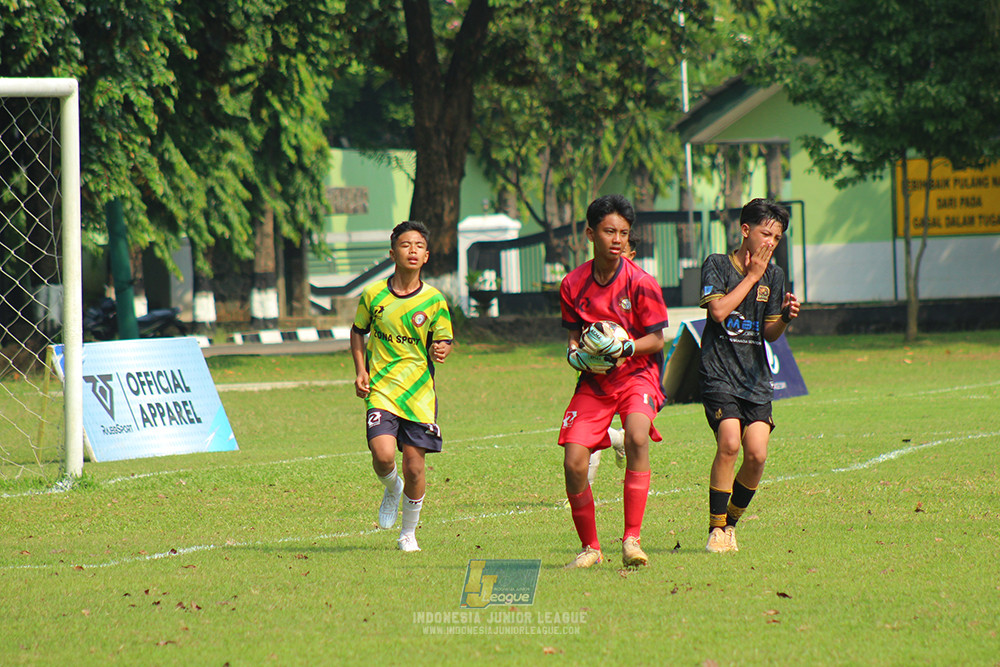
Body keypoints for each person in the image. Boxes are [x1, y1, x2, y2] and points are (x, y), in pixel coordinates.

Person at [558, 195, 669, 568]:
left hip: (638, 373)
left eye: (623, 232)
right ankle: (590, 548)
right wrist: (576, 354)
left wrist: (624, 347)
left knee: (637, 435)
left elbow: (657, 339)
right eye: (609, 231)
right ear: (590, 233)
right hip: (594, 382)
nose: (617, 239)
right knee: (574, 463)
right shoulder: (573, 283)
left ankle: (632, 541)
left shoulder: (641, 282)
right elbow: (573, 337)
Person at [698, 198, 800, 553]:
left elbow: (769, 333)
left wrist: (784, 316)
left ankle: (730, 526)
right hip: (719, 373)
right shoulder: (716, 265)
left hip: (755, 378)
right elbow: (718, 312)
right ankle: (715, 529)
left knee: (756, 455)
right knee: (729, 442)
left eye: (777, 237)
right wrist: (752, 276)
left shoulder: (775, 275)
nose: (771, 242)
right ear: (746, 231)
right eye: (765, 233)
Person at [350, 221, 454, 553]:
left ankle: (408, 533)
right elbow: (357, 331)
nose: (413, 250)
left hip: (420, 394)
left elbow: (445, 340)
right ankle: (392, 487)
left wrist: (442, 349)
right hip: (382, 389)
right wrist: (360, 370)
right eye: (406, 245)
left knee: (415, 465)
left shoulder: (434, 299)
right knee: (382, 456)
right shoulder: (373, 295)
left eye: (419, 246)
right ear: (392, 252)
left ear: (426, 255)